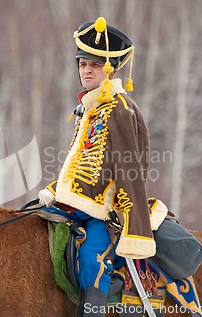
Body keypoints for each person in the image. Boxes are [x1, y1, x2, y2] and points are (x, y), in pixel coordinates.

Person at [38, 17, 168, 316]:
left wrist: (129, 222)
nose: (86, 70)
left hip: (104, 212)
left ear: (109, 69)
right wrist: (54, 190)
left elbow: (130, 171)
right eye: (83, 64)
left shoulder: (119, 108)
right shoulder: (89, 108)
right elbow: (80, 168)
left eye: (94, 65)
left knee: (92, 258)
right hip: (74, 205)